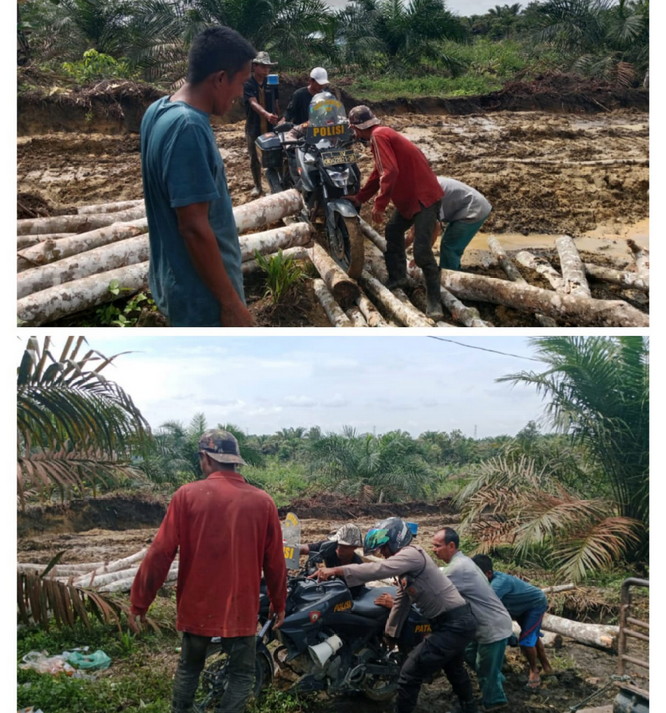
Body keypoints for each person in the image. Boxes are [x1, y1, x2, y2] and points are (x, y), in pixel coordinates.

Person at [130, 429, 287, 713]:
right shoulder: (262, 502)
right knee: (241, 675)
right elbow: (275, 562)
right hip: (240, 609)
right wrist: (279, 603)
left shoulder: (187, 496)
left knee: (189, 668)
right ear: (234, 461)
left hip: (196, 607)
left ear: (205, 458)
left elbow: (160, 553)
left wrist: (140, 602)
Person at [140, 26, 255, 327]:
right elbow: (193, 227)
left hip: (178, 284)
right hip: (204, 300)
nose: (241, 94)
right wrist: (231, 304)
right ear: (219, 78)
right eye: (241, 82)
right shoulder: (188, 128)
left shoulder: (157, 111)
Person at [312, 517, 479, 713]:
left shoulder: (412, 554)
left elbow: (377, 569)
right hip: (451, 623)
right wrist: (391, 633)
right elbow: (401, 601)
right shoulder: (406, 569)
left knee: (409, 673)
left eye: (384, 548)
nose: (382, 553)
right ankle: (470, 707)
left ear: (395, 541)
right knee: (454, 669)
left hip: (455, 623)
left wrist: (336, 570)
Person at [346, 105, 445, 319]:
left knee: (421, 252)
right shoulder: (383, 133)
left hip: (424, 199)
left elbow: (389, 172)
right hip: (412, 199)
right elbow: (377, 173)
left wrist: (379, 205)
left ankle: (435, 303)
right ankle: (399, 277)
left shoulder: (378, 137)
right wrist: (361, 197)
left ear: (355, 128)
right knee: (392, 231)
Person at [433, 528, 513, 712]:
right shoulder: (462, 561)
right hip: (485, 624)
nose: (434, 550)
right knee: (469, 654)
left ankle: (495, 703)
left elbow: (434, 590)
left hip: (491, 626)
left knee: (485, 671)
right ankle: (497, 679)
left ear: (451, 546)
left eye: (437, 546)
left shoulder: (457, 568)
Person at [472, 555, 555, 689]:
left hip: (534, 605)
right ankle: (547, 667)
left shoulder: (499, 584)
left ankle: (534, 671)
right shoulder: (486, 582)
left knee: (526, 640)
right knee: (531, 636)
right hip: (518, 607)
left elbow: (487, 607)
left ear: (488, 573)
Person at [244, 51, 280, 197]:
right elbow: (252, 102)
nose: (266, 70)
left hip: (271, 125)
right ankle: (258, 186)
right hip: (254, 125)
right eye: (263, 66)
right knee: (254, 157)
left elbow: (276, 101)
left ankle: (276, 185)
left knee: (275, 155)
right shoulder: (248, 83)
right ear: (255, 66)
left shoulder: (272, 81)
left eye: (268, 67)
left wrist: (278, 117)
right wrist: (266, 114)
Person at [436, 177, 492, 271]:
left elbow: (434, 228)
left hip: (473, 209)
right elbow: (415, 230)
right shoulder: (424, 182)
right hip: (468, 206)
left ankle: (451, 277)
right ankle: (450, 270)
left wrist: (422, 257)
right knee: (450, 243)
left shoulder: (426, 191)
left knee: (450, 246)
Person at [299, 523, 365, 597]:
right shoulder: (328, 548)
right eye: (338, 545)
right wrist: (291, 549)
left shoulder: (358, 567)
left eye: (345, 547)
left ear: (355, 547)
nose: (339, 550)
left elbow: (352, 595)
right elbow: (306, 548)